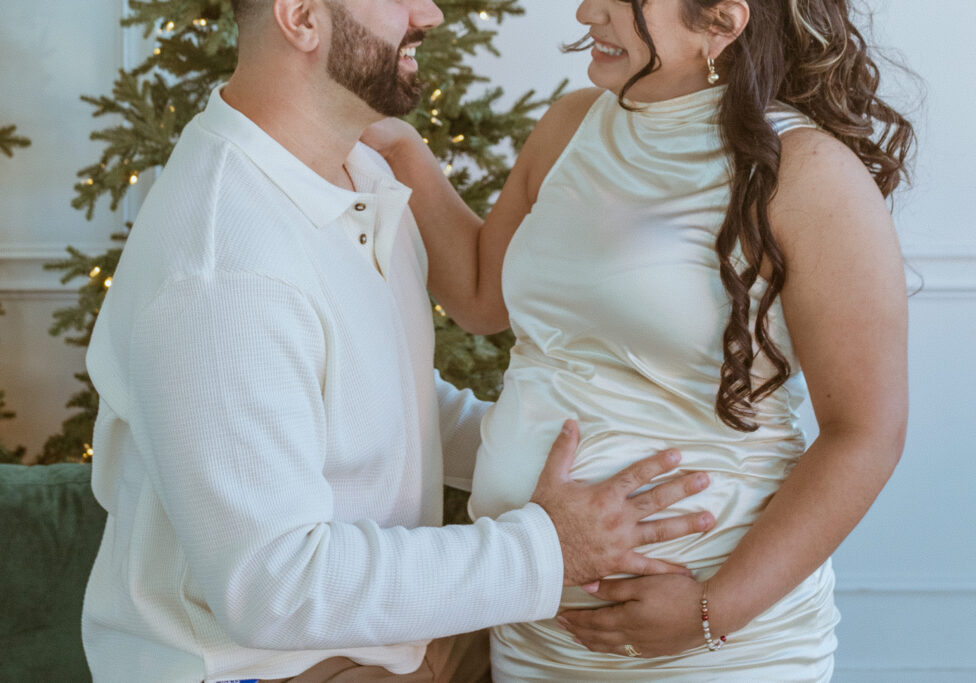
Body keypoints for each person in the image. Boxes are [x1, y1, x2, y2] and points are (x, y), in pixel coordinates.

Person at [79, 1, 719, 681]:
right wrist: (551, 548)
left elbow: (377, 394)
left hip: (388, 638)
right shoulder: (225, 270)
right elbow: (276, 587)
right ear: (301, 18)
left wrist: (555, 453)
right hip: (266, 665)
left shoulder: (359, 176)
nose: (432, 13)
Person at [363, 0, 914, 679]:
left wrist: (712, 610)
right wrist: (398, 149)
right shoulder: (571, 125)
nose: (585, 11)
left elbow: (866, 430)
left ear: (721, 22)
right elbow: (482, 292)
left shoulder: (807, 173)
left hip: (713, 645)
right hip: (534, 625)